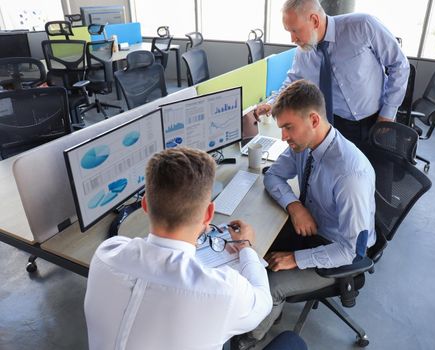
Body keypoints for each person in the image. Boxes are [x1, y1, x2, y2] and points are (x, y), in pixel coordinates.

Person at [231, 80, 376, 349]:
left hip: (338, 252)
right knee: (252, 246)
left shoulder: (350, 175)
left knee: (271, 286)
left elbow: (350, 251)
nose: (283, 136)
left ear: (313, 119)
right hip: (312, 228)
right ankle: (266, 315)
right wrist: (294, 207)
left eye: (288, 127)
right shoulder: (306, 145)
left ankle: (247, 340)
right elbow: (273, 175)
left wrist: (296, 259)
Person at [84, 147, 272, 350]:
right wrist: (245, 246)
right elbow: (263, 300)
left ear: (145, 205)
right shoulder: (224, 291)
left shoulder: (106, 253)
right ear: (209, 214)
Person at [256, 0, 409, 151]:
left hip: (378, 120)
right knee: (341, 173)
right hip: (337, 126)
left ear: (314, 20)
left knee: (382, 172)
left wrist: (387, 114)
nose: (292, 39)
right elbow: (293, 81)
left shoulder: (362, 25)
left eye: (295, 31)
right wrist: (272, 103)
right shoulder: (303, 52)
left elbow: (399, 64)